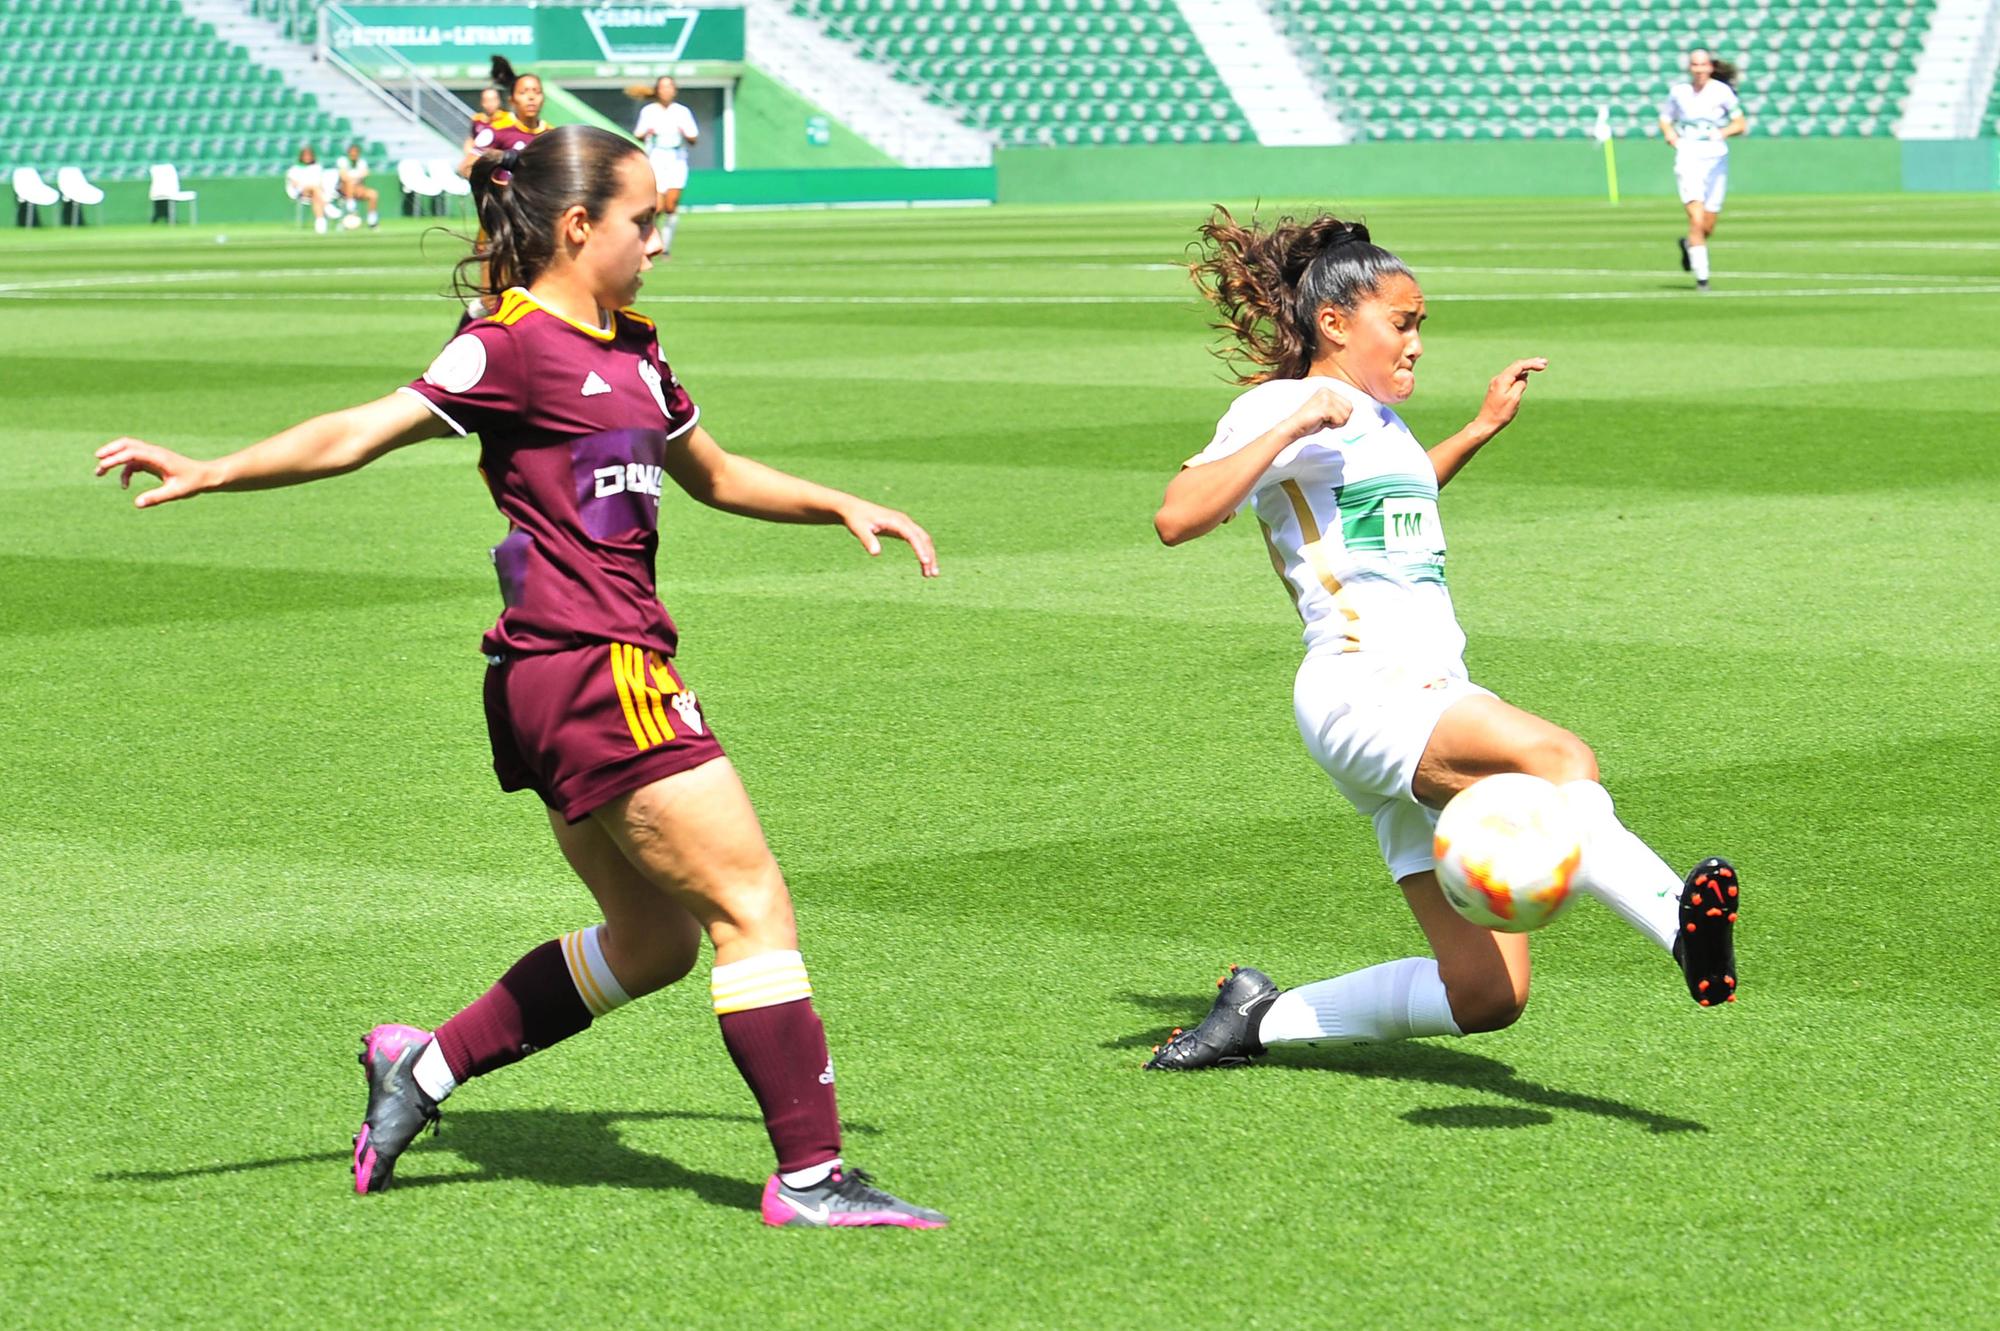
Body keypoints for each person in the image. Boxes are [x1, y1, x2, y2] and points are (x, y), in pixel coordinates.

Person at [94, 125, 949, 1229]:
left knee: (653, 943)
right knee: (751, 904)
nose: (659, 239)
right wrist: (214, 468)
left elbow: (718, 474)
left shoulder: (637, 348)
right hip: (593, 668)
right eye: (643, 220)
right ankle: (811, 1177)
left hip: (568, 675)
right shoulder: (506, 343)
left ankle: (423, 1067)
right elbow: (365, 429)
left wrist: (837, 498)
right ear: (578, 224)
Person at [1143, 209, 1739, 1072]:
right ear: (1335, 323)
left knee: (1487, 995)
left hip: (1415, 693)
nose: (1418, 342)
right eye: (1404, 321)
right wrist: (1293, 421)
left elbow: (1393, 501)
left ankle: (1254, 1022)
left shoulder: (1378, 422)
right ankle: (1678, 922)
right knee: (1560, 760)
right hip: (1367, 687)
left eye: (1422, 324)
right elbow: (1177, 516)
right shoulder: (1285, 403)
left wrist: (1478, 429)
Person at [460, 67, 553, 317]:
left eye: (537, 91)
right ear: (512, 99)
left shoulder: (551, 135)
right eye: (524, 92)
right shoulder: (498, 131)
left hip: (536, 227)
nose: (531, 97)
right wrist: (498, 189)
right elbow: (467, 166)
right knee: (493, 303)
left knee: (533, 300)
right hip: (500, 225)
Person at [1660, 49, 1745, 291]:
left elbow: (1740, 123)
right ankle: (1702, 279)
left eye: (1702, 65)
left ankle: (1689, 245)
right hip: (1688, 157)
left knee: (1707, 225)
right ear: (1690, 68)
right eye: (1694, 65)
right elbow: (1666, 117)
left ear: (1710, 67)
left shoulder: (1722, 92)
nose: (1698, 69)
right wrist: (1670, 135)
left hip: (1716, 160)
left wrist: (1722, 132)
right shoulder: (1679, 93)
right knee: (1696, 219)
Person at [633, 76, 699, 257]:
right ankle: (652, 241)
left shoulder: (682, 112)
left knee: (671, 206)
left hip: (677, 160)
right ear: (657, 90)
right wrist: (648, 132)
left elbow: (694, 138)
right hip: (656, 160)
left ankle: (667, 247)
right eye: (663, 87)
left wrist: (686, 134)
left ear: (675, 90)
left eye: (670, 87)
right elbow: (638, 134)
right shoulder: (649, 111)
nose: (666, 90)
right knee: (658, 207)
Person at [284, 145, 331, 235]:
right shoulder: (294, 169)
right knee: (314, 189)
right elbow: (295, 184)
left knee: (316, 196)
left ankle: (320, 224)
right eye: (305, 155)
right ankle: (327, 206)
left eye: (309, 155)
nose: (307, 157)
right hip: (300, 192)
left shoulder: (317, 167)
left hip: (315, 193)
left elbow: (320, 183)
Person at [338, 144, 381, 229]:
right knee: (349, 183)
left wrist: (356, 180)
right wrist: (356, 178)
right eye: (352, 153)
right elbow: (344, 177)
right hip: (343, 190)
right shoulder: (343, 161)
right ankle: (352, 210)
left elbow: (365, 173)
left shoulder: (362, 162)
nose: (354, 155)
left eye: (356, 153)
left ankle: (372, 221)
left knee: (373, 194)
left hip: (358, 188)